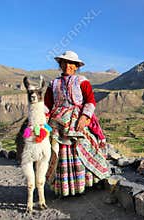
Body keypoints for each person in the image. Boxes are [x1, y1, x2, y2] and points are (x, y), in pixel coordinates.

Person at [44, 50, 110, 197]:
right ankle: (63, 188)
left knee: (83, 146)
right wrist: (42, 119)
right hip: (57, 121)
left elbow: (90, 100)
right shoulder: (53, 84)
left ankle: (84, 184)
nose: (68, 65)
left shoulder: (82, 81)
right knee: (58, 151)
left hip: (77, 117)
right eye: (64, 62)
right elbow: (47, 105)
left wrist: (84, 117)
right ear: (60, 64)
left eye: (71, 63)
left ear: (76, 66)